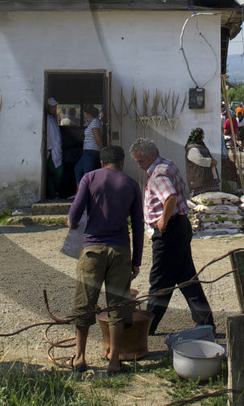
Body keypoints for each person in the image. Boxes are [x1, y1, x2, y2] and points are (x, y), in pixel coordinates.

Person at [66, 144, 144, 373]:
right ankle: (114, 362)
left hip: (92, 250)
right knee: (118, 307)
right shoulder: (131, 184)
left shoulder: (89, 179)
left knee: (85, 304)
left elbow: (74, 217)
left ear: (101, 163)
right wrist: (136, 261)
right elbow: (138, 227)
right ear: (122, 164)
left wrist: (73, 222)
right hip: (120, 251)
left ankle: (79, 358)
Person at [130, 138, 214, 335]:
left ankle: (147, 325)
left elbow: (170, 197)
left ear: (150, 156)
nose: (139, 166)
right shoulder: (167, 163)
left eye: (140, 161)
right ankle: (205, 322)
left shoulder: (158, 173)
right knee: (186, 277)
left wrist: (163, 221)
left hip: (170, 230)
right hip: (180, 226)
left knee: (159, 279)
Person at [183, 127, 219, 195]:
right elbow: (200, 160)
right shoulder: (192, 149)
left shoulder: (200, 146)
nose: (203, 137)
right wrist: (211, 161)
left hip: (208, 180)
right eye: (202, 135)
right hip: (198, 182)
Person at [74, 110, 105, 184]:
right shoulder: (92, 122)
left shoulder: (95, 122)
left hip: (91, 151)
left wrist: (102, 150)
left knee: (88, 174)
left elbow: (97, 138)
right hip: (87, 151)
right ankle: (79, 191)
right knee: (78, 169)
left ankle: (88, 193)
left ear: (86, 113)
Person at [44, 98, 64, 197]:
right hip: (51, 150)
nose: (54, 108)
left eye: (55, 107)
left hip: (56, 150)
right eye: (53, 106)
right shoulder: (47, 119)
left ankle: (56, 193)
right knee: (54, 173)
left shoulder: (52, 118)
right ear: (48, 107)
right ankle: (53, 194)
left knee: (57, 173)